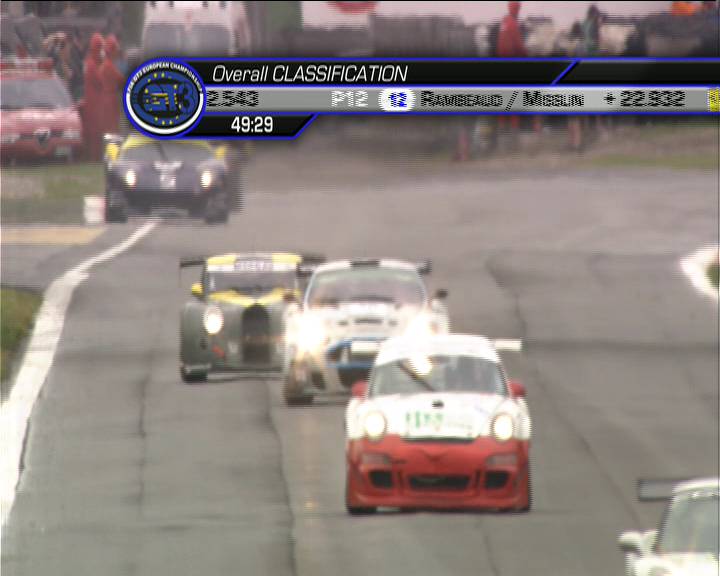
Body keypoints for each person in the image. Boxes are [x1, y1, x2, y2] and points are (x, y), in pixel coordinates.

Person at [82, 32, 105, 160]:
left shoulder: (90, 62)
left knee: (96, 131)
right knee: (95, 131)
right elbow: (101, 81)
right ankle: (94, 156)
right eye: (101, 48)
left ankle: (95, 155)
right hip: (94, 102)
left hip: (94, 101)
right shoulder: (92, 65)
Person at [99, 34, 124, 135]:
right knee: (112, 129)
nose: (117, 52)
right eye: (115, 50)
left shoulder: (107, 64)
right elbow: (121, 80)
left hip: (108, 99)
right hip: (110, 100)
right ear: (112, 51)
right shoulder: (108, 66)